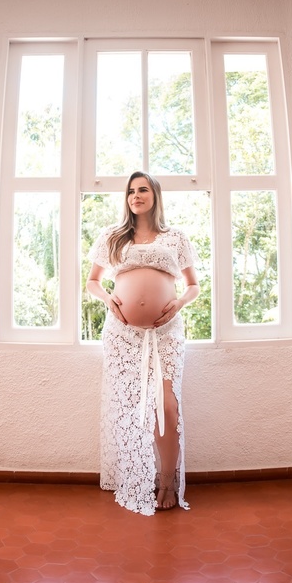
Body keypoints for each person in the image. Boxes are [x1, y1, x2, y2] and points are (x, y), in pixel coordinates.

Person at [86, 171, 199, 514]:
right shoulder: (113, 237)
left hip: (166, 332)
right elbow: (92, 282)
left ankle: (167, 479)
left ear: (155, 195)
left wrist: (178, 303)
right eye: (131, 191)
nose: (136, 195)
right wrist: (110, 301)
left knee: (166, 406)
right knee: (130, 407)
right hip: (123, 335)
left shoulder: (175, 238)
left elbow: (193, 286)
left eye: (143, 189)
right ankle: (135, 476)